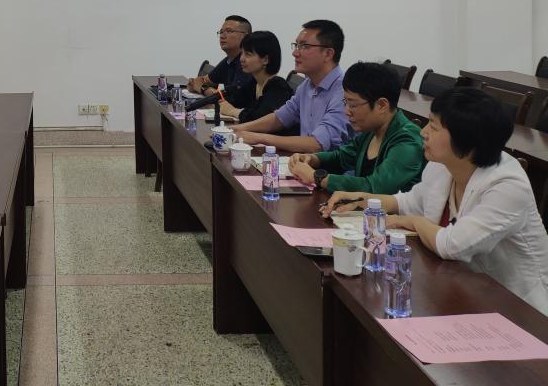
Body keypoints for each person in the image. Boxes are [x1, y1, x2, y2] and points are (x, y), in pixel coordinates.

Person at [324, 87, 548, 315]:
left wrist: (414, 221)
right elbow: (408, 202)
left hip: (519, 309)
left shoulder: (507, 186)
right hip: (462, 289)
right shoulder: (442, 166)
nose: (423, 132)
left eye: (433, 126)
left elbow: (452, 245)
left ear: (465, 139)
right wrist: (362, 199)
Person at [288, 61, 424, 193]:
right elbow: (341, 158)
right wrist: (313, 159)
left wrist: (318, 178)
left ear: (382, 105)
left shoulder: (408, 141)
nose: (346, 111)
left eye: (353, 105)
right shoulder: (371, 131)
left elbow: (375, 187)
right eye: (345, 102)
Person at [230, 19, 350, 153]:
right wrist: (237, 129)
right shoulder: (306, 85)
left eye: (304, 46)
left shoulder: (345, 91)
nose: (295, 53)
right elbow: (280, 117)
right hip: (303, 161)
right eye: (296, 45)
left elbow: (318, 144)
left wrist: (259, 137)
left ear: (328, 54)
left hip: (328, 165)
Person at [217, 31, 295, 127]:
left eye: (248, 54)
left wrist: (233, 111)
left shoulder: (278, 87)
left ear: (265, 60)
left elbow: (261, 119)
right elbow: (233, 100)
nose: (241, 59)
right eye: (241, 53)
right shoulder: (254, 83)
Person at [187, 15, 253, 97]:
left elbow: (230, 99)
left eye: (229, 31)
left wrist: (203, 88)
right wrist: (194, 84)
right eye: (221, 32)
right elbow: (201, 80)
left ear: (245, 36)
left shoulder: (248, 63)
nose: (222, 36)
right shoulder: (228, 61)